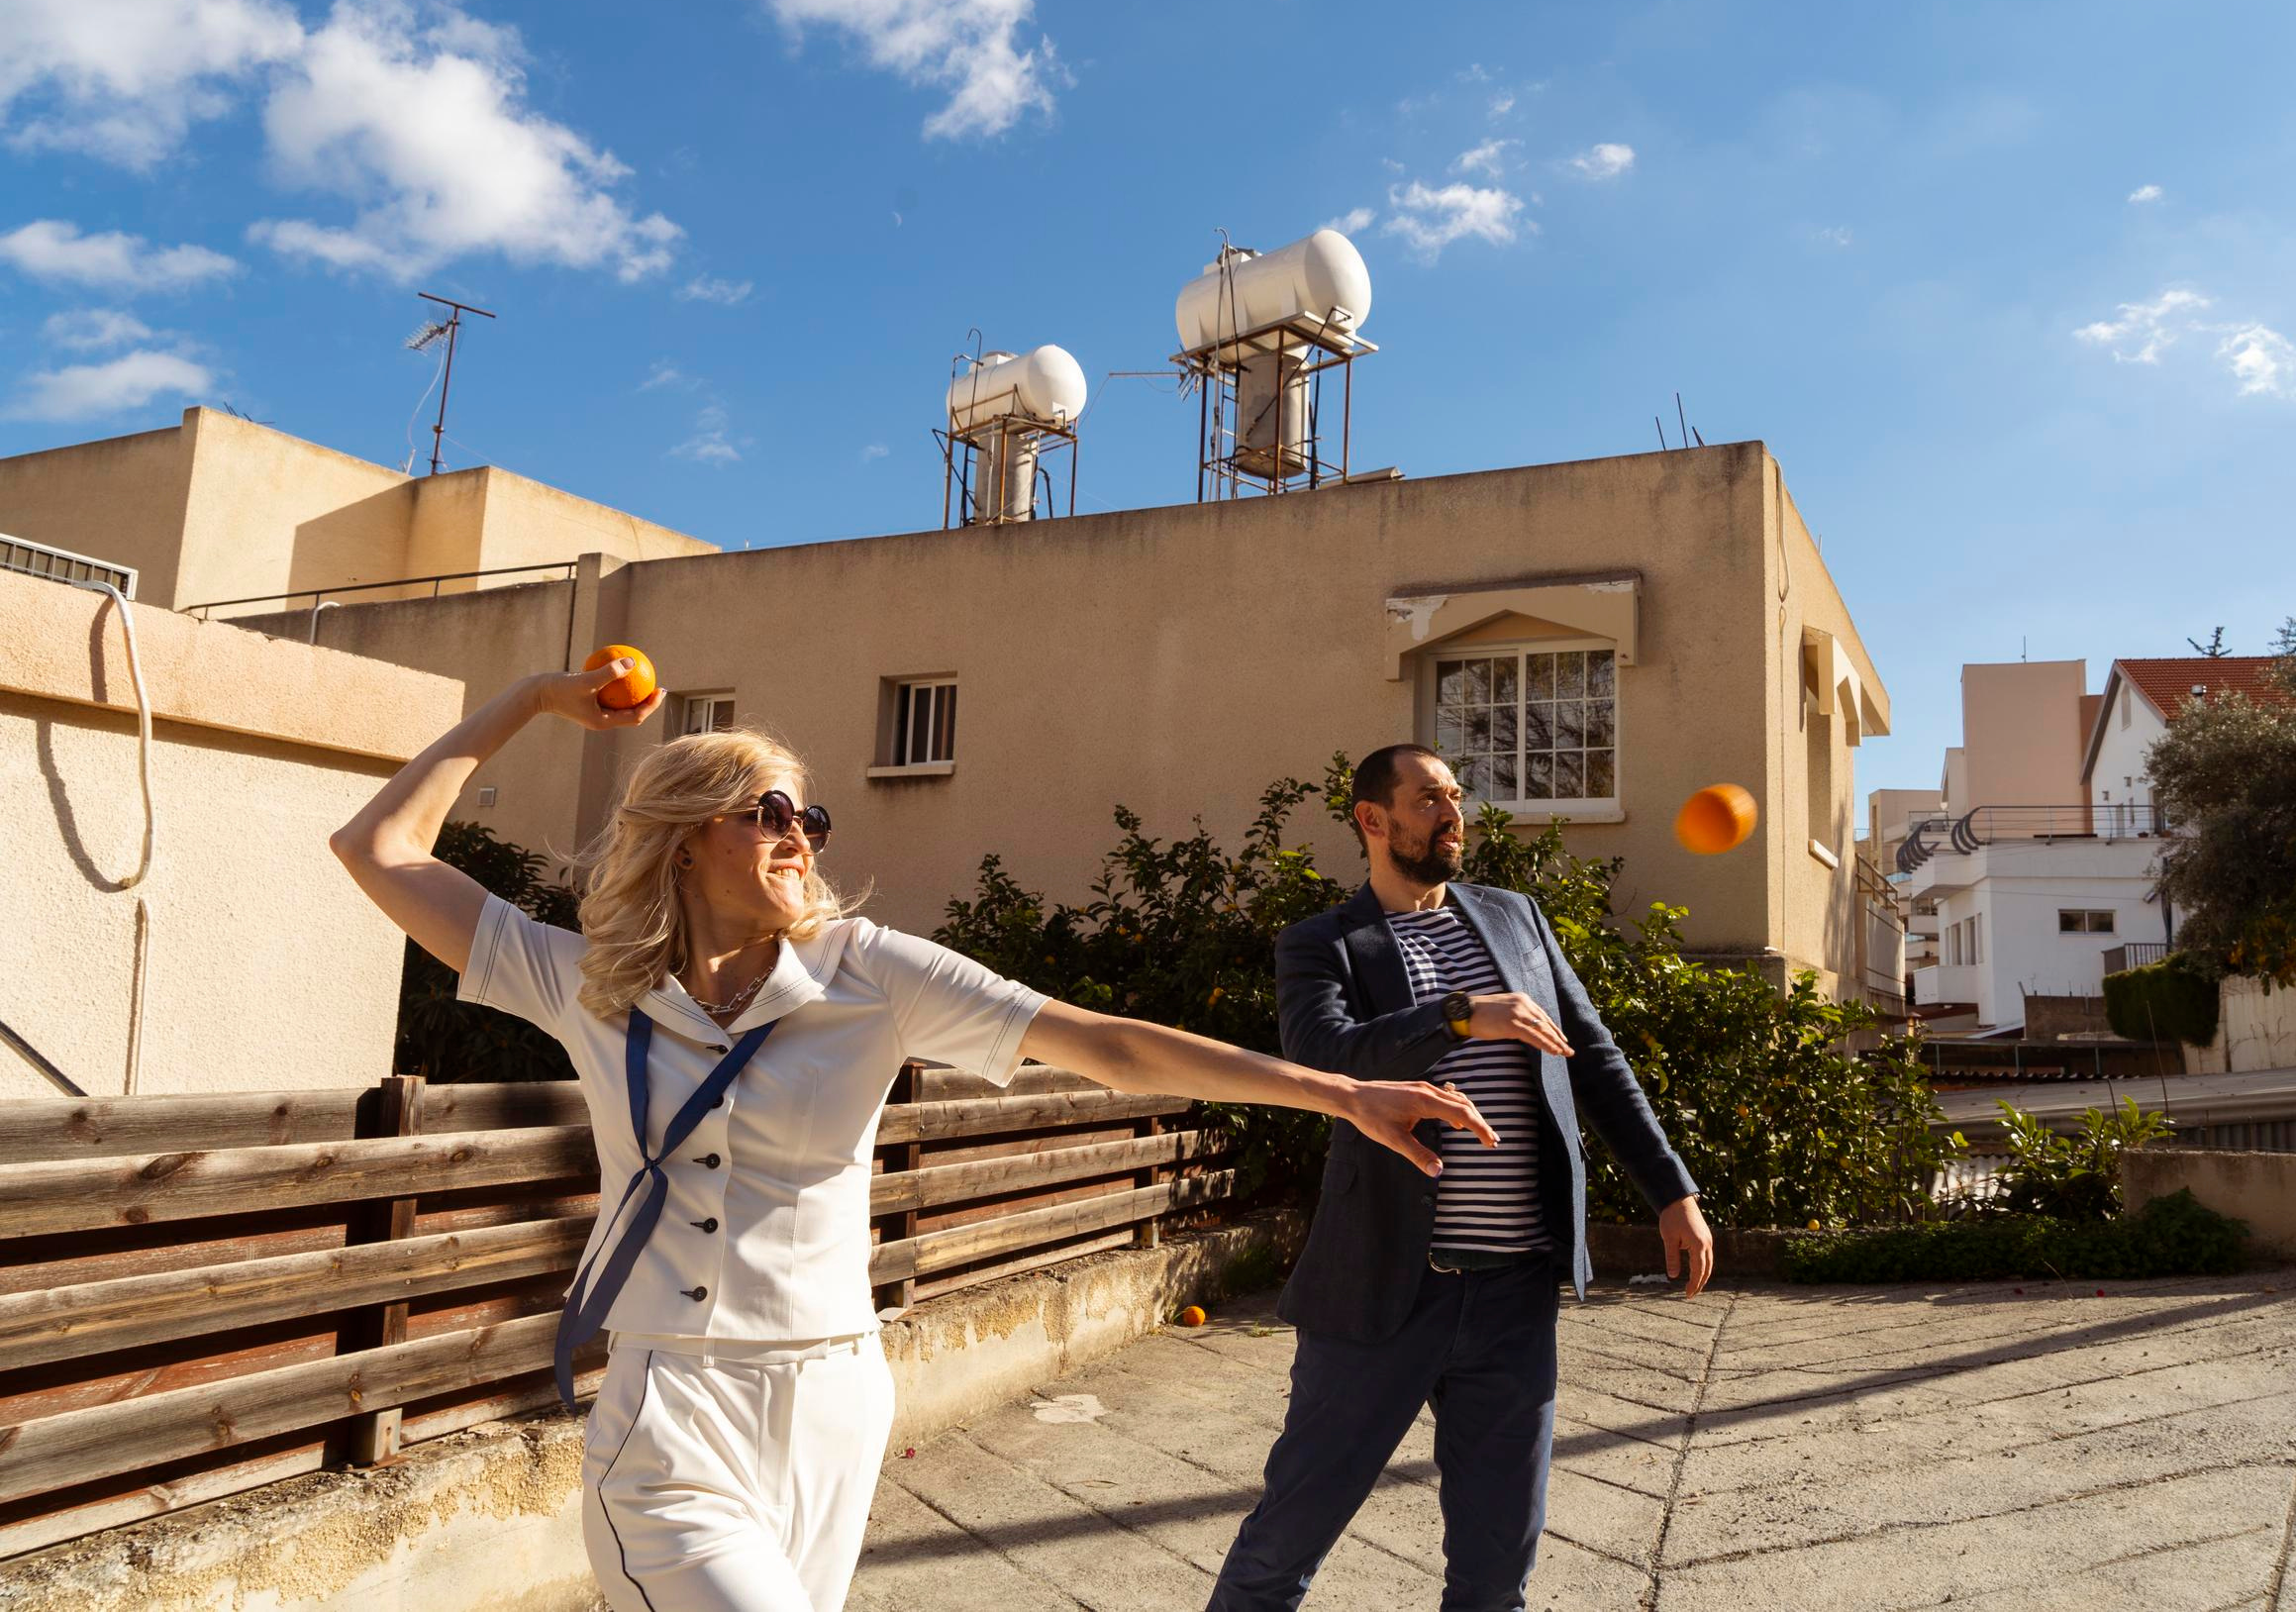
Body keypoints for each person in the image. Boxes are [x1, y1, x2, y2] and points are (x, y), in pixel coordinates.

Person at [327, 662, 1496, 1612]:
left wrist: (1338, 1094)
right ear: (683, 840)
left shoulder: (869, 973)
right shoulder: (589, 981)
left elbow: (1102, 1042)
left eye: (811, 817)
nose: (802, 838)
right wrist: (530, 701)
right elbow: (377, 847)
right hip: (672, 1408)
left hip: (835, 1394)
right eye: (767, 813)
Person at [1206, 745, 1714, 1612]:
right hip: (1381, 1290)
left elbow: (1594, 1056)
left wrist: (1672, 1189)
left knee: (1495, 1573)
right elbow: (1322, 1055)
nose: (1452, 812)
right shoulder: (1323, 943)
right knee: (1283, 1546)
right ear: (1374, 820)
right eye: (1428, 798)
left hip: (1514, 1291)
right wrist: (1457, 1016)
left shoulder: (1516, 918)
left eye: (1454, 796)